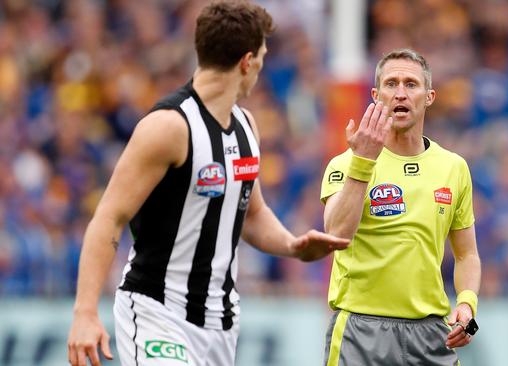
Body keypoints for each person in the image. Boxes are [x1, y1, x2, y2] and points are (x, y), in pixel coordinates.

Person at [67, 2, 349, 365]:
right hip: (158, 313)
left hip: (221, 325)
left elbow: (251, 213)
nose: (261, 69)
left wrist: (293, 245)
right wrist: (85, 312)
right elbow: (109, 218)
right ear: (247, 62)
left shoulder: (247, 126)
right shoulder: (168, 127)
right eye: (261, 58)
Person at [320, 48, 481, 365]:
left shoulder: (453, 167)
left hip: (431, 332)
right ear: (376, 95)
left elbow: (467, 254)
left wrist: (467, 302)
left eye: (411, 84)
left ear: (430, 96)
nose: (401, 93)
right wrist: (363, 163)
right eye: (391, 84)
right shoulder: (347, 163)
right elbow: (336, 233)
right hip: (361, 330)